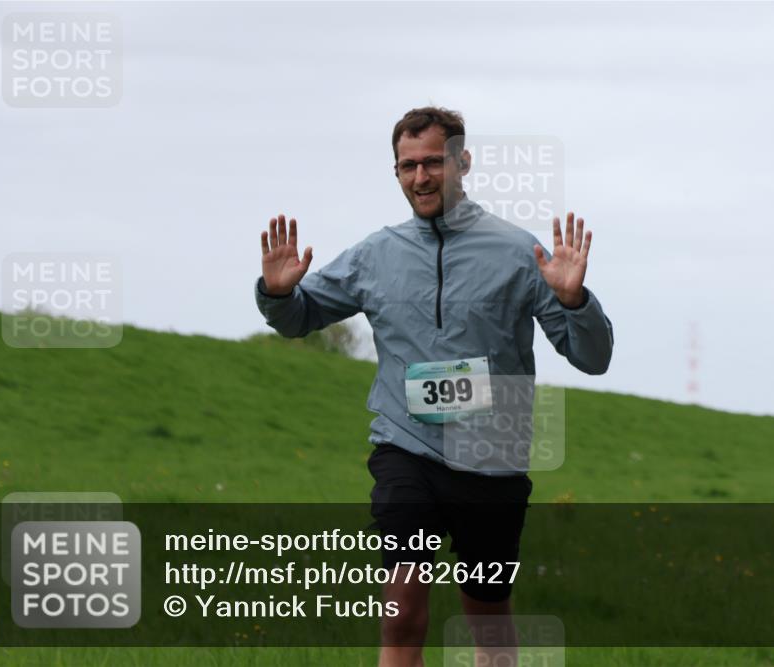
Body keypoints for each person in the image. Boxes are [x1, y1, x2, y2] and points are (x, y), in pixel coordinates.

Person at [254, 106, 614, 666]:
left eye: (431, 164)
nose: (419, 178)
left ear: (462, 162)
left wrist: (574, 301)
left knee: (487, 622)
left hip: (492, 457)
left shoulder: (520, 253)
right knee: (402, 612)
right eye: (406, 166)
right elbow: (300, 316)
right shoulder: (377, 254)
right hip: (407, 448)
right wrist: (278, 295)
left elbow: (592, 358)